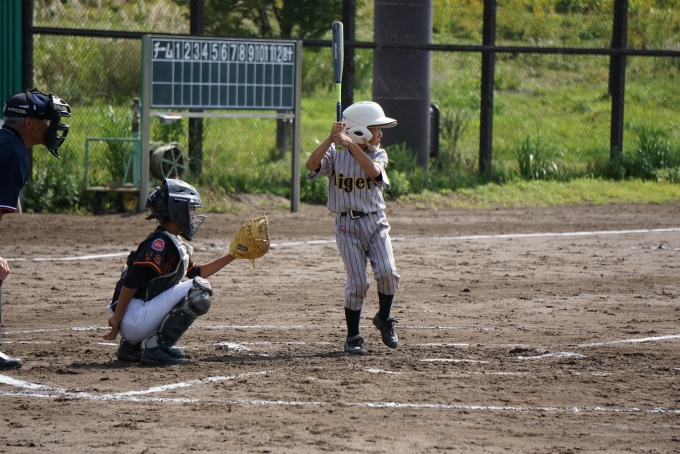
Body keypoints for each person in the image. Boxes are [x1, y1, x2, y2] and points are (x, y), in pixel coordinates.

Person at [103, 178, 237, 365]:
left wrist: (233, 255)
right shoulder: (159, 243)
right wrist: (117, 319)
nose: (193, 215)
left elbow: (197, 272)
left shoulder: (172, 241)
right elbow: (132, 280)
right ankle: (157, 348)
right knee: (200, 289)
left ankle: (132, 346)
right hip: (133, 317)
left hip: (136, 318)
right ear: (177, 210)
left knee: (195, 284)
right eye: (190, 209)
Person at [305, 101, 401, 355]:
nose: (380, 134)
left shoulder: (378, 154)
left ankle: (384, 318)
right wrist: (332, 137)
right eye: (376, 129)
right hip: (346, 225)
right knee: (358, 282)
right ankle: (353, 336)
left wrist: (349, 144)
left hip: (376, 222)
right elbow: (311, 165)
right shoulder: (334, 155)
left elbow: (374, 172)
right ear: (361, 131)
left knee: (388, 273)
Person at [0, 88, 71, 370]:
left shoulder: (9, 143)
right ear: (29, 123)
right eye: (47, 120)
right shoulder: (13, 153)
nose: (52, 125)